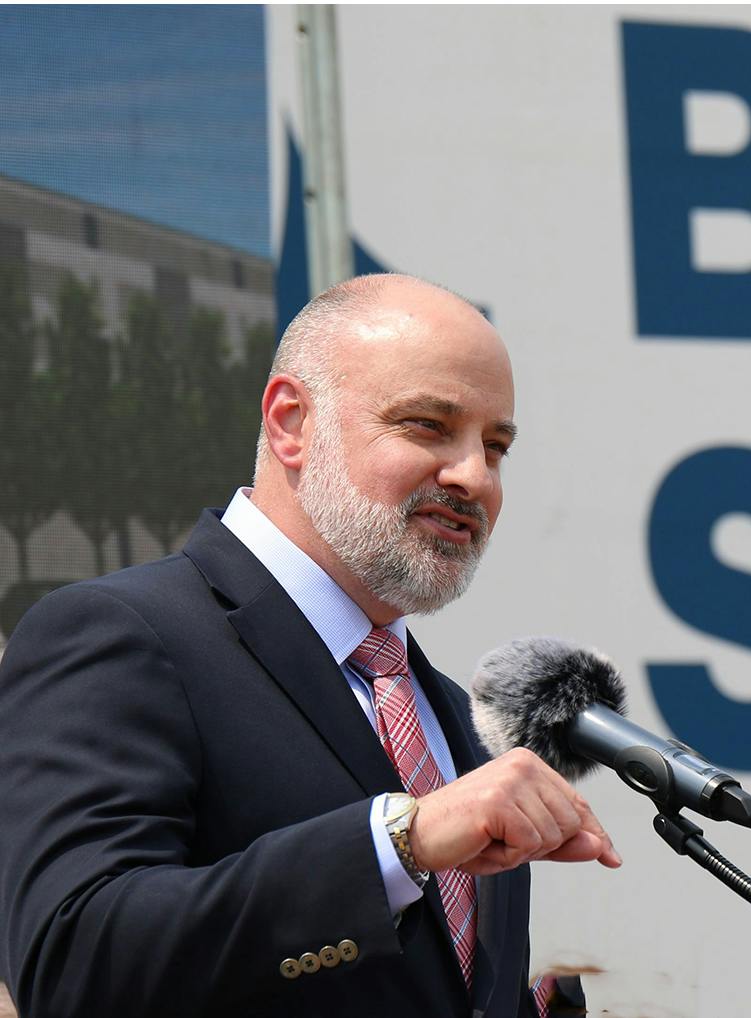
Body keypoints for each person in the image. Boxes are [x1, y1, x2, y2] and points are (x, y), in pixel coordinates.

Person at [0, 274, 616, 1017]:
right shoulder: (123, 634)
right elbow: (69, 960)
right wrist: (400, 841)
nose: (472, 477)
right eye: (426, 425)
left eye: (496, 447)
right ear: (291, 422)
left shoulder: (455, 722)